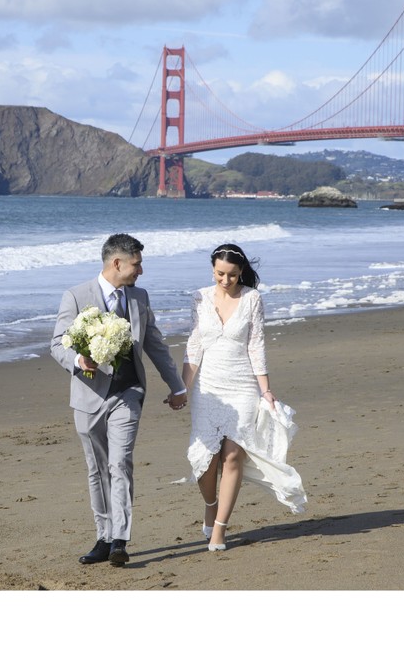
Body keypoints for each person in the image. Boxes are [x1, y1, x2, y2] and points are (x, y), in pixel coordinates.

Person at [51, 233, 187, 567]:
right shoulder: (76, 296)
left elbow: (154, 344)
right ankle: (103, 537)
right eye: (136, 264)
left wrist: (177, 385)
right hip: (88, 396)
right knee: (97, 469)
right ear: (117, 263)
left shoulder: (139, 297)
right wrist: (79, 361)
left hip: (128, 394)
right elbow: (57, 344)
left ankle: (120, 542)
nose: (140, 271)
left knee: (120, 463)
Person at [182, 243, 306, 553]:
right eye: (221, 274)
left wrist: (265, 389)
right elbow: (194, 347)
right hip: (208, 388)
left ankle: (220, 529)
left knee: (233, 455)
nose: (226, 281)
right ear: (213, 270)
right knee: (204, 460)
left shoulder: (252, 298)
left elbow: (256, 346)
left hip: (242, 386)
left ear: (241, 273)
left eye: (233, 275)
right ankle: (211, 504)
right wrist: (182, 388)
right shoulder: (199, 297)